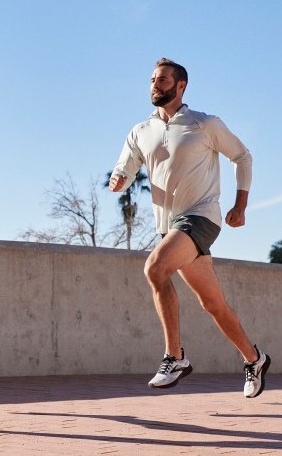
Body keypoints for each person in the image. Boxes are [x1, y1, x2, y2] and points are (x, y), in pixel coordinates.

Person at [108, 57, 270, 398]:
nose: (155, 84)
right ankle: (254, 359)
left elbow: (243, 157)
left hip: (201, 217)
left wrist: (240, 205)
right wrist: (120, 178)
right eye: (152, 79)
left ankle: (174, 356)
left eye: (163, 79)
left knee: (155, 269)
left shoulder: (204, 124)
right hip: (170, 228)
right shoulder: (141, 130)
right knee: (213, 304)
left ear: (180, 86)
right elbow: (127, 165)